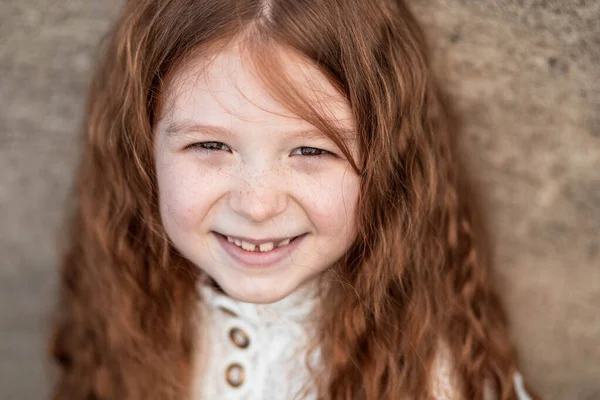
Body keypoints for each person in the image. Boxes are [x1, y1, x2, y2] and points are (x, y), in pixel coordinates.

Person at [49, 0, 538, 399]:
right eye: (210, 146)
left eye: (311, 149)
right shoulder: (125, 303)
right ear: (141, 149)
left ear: (388, 164)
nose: (257, 205)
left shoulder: (432, 377)